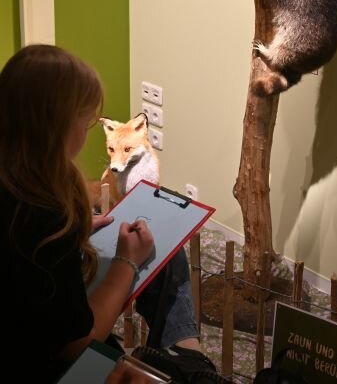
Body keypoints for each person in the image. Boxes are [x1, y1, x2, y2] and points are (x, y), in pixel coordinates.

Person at [0, 44, 223, 383]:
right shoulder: (42, 218)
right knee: (122, 359)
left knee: (164, 253)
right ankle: (185, 355)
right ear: (58, 127)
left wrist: (77, 230)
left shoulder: (19, 192)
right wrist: (126, 262)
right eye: (85, 120)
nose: (86, 131)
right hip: (56, 370)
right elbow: (79, 346)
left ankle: (183, 351)